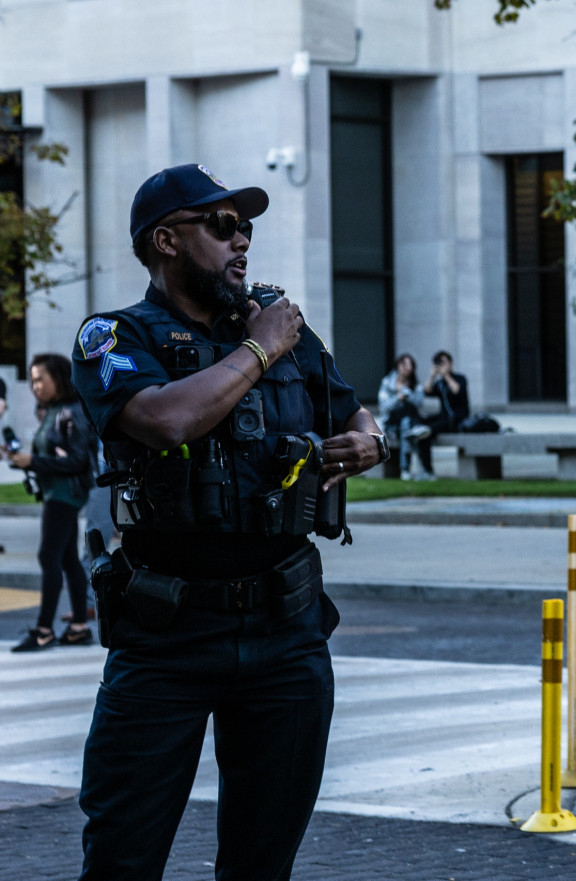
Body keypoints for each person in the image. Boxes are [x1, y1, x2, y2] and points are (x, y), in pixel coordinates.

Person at [71, 163, 384, 880]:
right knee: (122, 858)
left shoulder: (282, 328)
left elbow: (352, 409)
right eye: (221, 226)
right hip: (165, 637)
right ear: (167, 240)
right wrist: (260, 347)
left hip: (285, 634)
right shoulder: (116, 335)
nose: (241, 240)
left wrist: (372, 439)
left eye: (246, 226)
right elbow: (165, 418)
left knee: (261, 863)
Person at [8, 353, 97, 652]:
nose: (35, 386)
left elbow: (77, 461)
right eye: (32, 380)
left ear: (58, 378)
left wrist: (32, 460)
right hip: (56, 492)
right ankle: (78, 628)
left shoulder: (72, 411)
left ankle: (44, 630)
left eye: (39, 379)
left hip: (64, 494)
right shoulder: (54, 410)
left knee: (49, 556)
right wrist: (23, 460)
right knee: (68, 559)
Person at [377, 352, 434, 479]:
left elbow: (419, 403)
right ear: (398, 366)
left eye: (411, 365)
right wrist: (398, 398)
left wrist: (408, 395)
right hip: (391, 424)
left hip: (405, 423)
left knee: (406, 424)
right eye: (405, 364)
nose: (408, 368)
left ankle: (405, 471)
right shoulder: (387, 383)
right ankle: (424, 471)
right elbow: (384, 407)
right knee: (411, 425)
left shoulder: (415, 384)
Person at [423, 349, 471, 435]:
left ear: (451, 363)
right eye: (439, 363)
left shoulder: (460, 378)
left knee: (434, 427)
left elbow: (457, 390)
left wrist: (446, 375)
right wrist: (432, 376)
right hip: (444, 417)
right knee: (424, 421)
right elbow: (427, 391)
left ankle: (427, 431)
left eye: (444, 363)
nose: (442, 366)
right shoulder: (440, 383)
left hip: (458, 419)